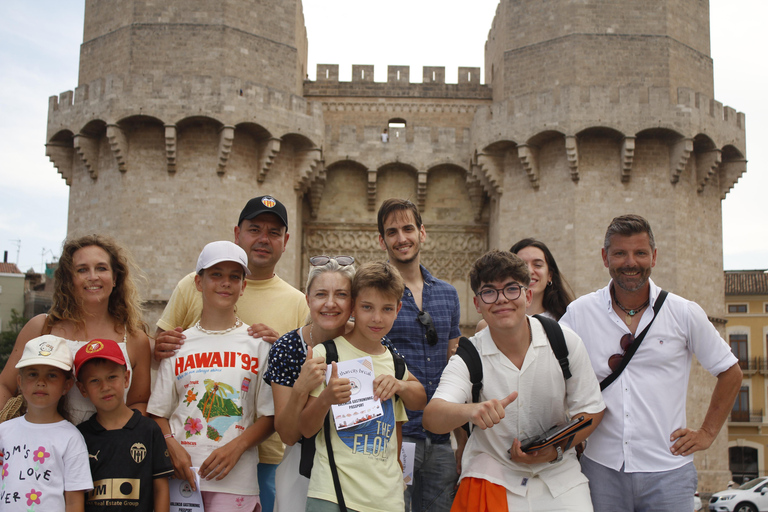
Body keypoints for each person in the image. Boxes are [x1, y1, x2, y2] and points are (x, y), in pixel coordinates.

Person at [560, 214, 743, 512]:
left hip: (669, 472)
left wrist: (707, 433)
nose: (630, 262)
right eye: (620, 253)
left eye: (640, 253)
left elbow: (731, 372)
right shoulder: (580, 313)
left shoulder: (683, 312)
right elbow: (551, 369)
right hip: (602, 469)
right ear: (605, 257)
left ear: (654, 257)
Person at [154, 195, 309, 512]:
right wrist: (157, 346)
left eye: (274, 232)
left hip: (258, 462)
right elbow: (158, 356)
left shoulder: (296, 304)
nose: (225, 284)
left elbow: (306, 374)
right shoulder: (185, 304)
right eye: (255, 229)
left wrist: (282, 348)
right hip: (183, 473)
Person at [422, 250, 605, 512]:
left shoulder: (563, 341)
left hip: (559, 477)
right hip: (493, 478)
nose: (501, 299)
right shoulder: (469, 356)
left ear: (527, 296)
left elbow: (591, 409)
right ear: (477, 304)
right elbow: (433, 416)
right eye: (489, 292)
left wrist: (555, 448)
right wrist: (470, 411)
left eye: (511, 289)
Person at [264, 256, 424, 512]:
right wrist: (303, 388)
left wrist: (394, 473)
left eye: (340, 294)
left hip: (378, 487)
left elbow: (409, 402)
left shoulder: (378, 344)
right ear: (307, 299)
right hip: (315, 474)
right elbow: (290, 434)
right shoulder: (291, 348)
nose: (330, 303)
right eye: (321, 294)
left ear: (351, 303)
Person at [148, 241, 275, 511]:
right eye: (216, 274)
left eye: (234, 277)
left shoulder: (258, 344)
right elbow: (157, 413)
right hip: (181, 481)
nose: (225, 283)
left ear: (243, 286)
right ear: (198, 282)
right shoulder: (177, 344)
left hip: (237, 482)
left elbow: (270, 417)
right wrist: (171, 446)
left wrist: (237, 447)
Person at [0, 235, 152, 424]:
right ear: (69, 280)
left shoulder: (135, 339)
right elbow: (5, 385)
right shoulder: (41, 328)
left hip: (111, 443)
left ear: (114, 278)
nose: (93, 276)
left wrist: (123, 437)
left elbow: (139, 403)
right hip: (43, 442)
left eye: (101, 268)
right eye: (82, 270)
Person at [376, 198, 462, 512]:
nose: (402, 238)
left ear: (422, 232)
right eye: (392, 232)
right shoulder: (374, 296)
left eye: (408, 229)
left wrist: (462, 439)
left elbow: (456, 365)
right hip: (394, 435)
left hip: (440, 437)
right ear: (382, 240)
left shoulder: (448, 294)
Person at [74, 338, 173, 512]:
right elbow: (75, 496)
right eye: (95, 381)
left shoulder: (149, 430)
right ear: (82, 389)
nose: (105, 387)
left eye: (112, 377)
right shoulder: (79, 437)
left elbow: (161, 489)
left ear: (126, 378)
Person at [0, 335, 93, 511]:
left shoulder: (71, 438)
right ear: (20, 382)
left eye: (51, 375)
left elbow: (74, 502)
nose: (41, 382)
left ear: (67, 385)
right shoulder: (3, 432)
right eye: (33, 374)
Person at [476, 238, 574, 332]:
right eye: (522, 265)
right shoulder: (487, 326)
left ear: (550, 275)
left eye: (537, 265)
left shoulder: (568, 320)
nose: (530, 271)